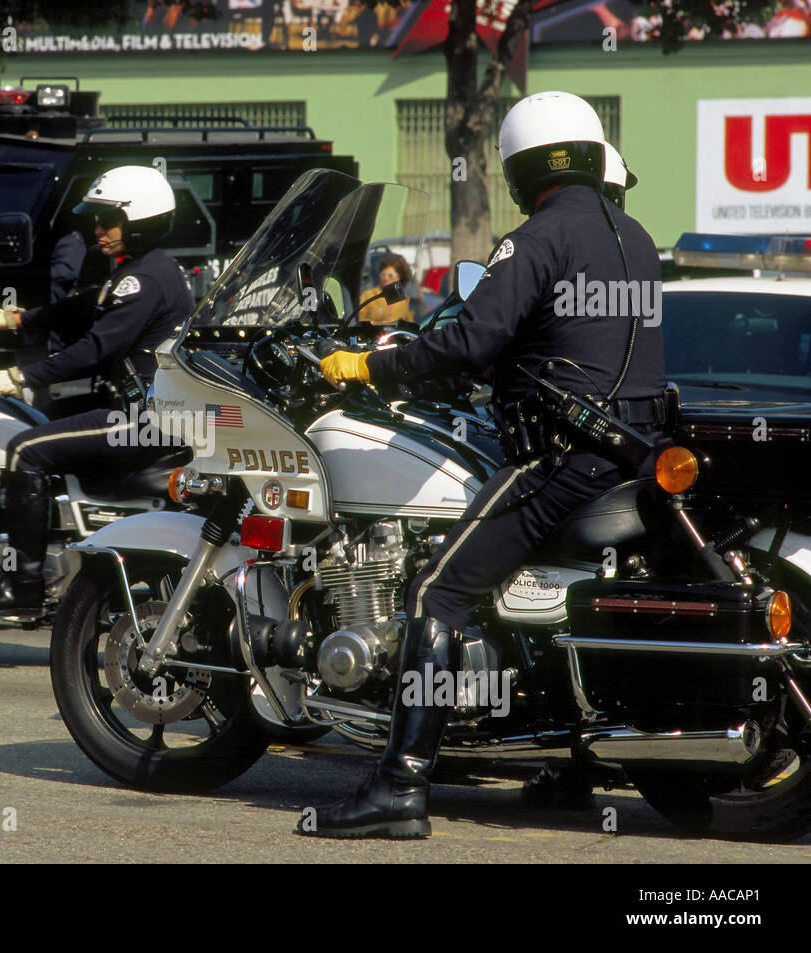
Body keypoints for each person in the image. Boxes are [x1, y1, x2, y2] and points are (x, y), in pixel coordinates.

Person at [300, 91, 668, 840]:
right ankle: (565, 766)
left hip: (562, 462)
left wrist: (371, 367)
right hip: (633, 455)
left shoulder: (532, 240)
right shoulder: (634, 236)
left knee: (437, 592)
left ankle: (399, 786)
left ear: (517, 166)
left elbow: (471, 340)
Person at [0, 165, 194, 617]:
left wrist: (16, 376)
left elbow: (95, 347)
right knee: (38, 417)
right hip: (143, 405)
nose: (98, 229)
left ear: (139, 221)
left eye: (109, 220)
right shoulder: (146, 269)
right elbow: (86, 304)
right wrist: (16, 320)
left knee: (25, 449)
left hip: (146, 417)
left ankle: (23, 586)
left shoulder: (142, 279)